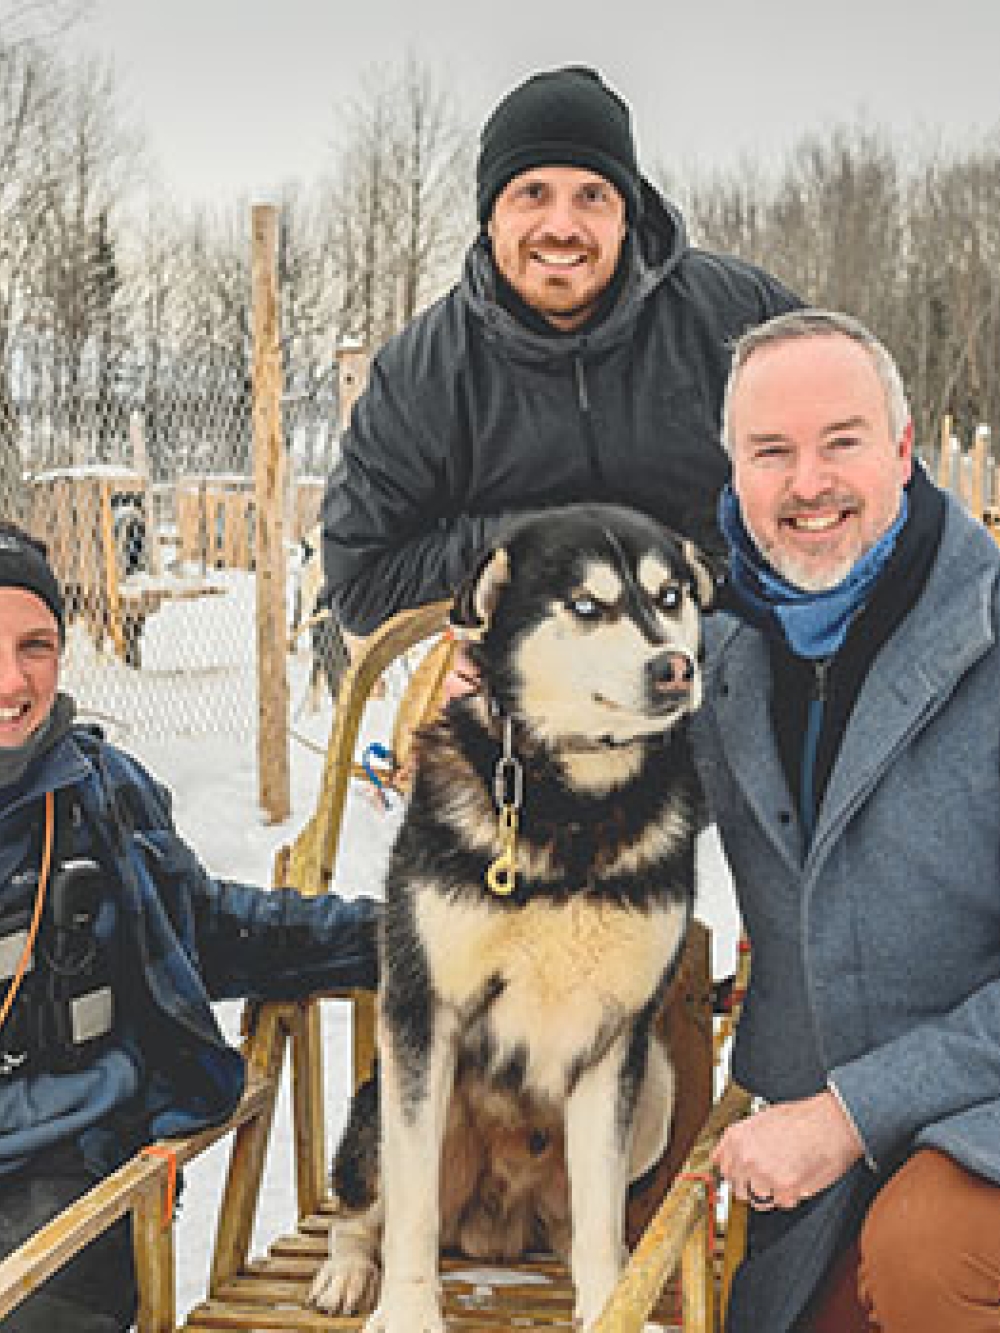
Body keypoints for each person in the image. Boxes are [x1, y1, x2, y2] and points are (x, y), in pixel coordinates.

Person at [691, 309, 1000, 1332]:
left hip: (968, 1121)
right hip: (830, 1134)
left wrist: (848, 1114)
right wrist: (511, 693)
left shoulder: (985, 633)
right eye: (770, 452)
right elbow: (607, 795)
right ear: (733, 471)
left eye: (841, 442)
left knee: (924, 1256)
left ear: (904, 450)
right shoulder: (727, 651)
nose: (807, 483)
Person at [0, 522, 379, 1332]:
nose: (11, 679)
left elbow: (209, 931)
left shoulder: (99, 797)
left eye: (35, 644)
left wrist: (411, 935)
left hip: (76, 1169)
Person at [321, 64, 801, 649]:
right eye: (532, 194)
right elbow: (362, 582)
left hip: (739, 662)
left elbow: (848, 486)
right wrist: (536, 548)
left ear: (627, 215)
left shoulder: (744, 320)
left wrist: (690, 572)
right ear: (490, 216)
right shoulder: (423, 374)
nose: (562, 226)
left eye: (592, 196)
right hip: (533, 696)